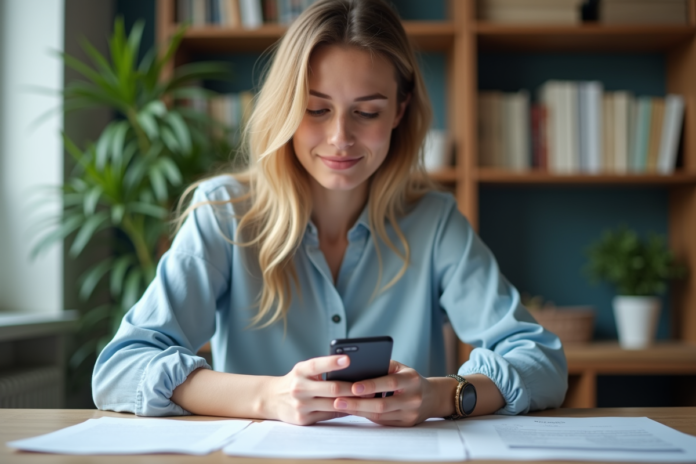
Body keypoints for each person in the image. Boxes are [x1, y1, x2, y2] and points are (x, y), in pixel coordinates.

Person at [92, 0, 567, 427]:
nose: (341, 137)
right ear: (285, 108)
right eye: (316, 109)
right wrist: (268, 397)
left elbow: (541, 361)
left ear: (400, 110)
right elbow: (118, 371)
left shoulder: (434, 221)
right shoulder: (222, 215)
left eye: (367, 112)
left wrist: (442, 396)